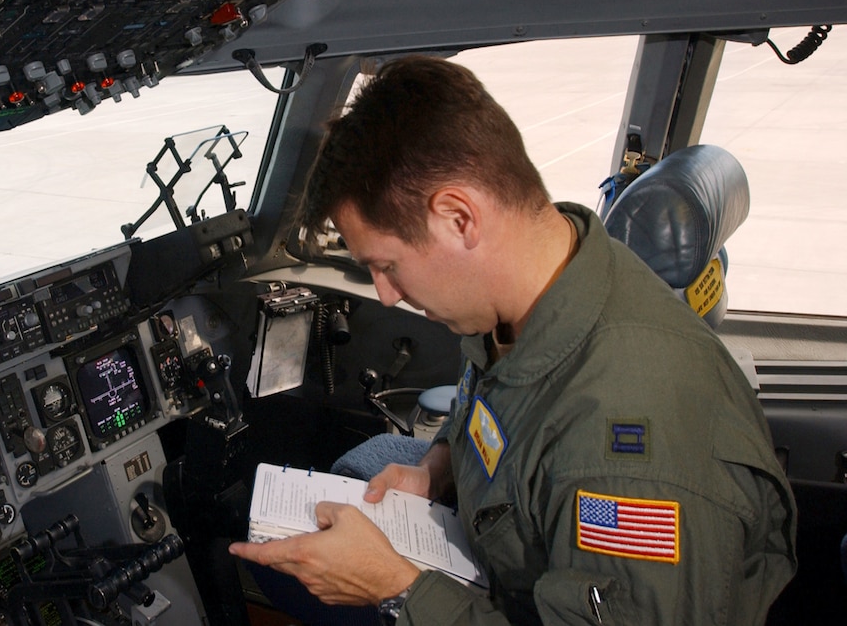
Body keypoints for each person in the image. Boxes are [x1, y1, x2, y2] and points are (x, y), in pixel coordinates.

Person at [228, 55, 797, 624]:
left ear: (458, 218)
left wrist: (397, 588)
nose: (385, 295)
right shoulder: (541, 286)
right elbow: (498, 405)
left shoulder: (629, 455)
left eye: (388, 266)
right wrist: (438, 467)